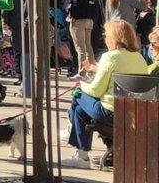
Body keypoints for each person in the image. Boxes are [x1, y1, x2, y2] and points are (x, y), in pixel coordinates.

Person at [62, 19, 150, 168]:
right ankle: (77, 141)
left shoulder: (110, 57)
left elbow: (96, 90)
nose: (104, 37)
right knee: (79, 108)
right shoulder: (139, 58)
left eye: (106, 34)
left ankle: (81, 153)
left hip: (109, 111)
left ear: (115, 37)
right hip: (132, 111)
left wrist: (81, 85)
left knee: (78, 96)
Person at [65, 0, 101, 79]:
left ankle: (82, 71)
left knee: (80, 47)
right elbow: (95, 6)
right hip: (89, 21)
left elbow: (75, 4)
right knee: (88, 46)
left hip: (78, 21)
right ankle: (92, 69)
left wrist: (73, 17)